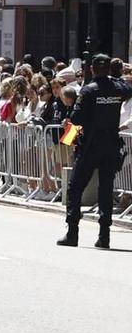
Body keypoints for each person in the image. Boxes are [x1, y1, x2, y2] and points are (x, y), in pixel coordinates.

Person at [58, 53, 127, 249]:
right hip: (111, 145)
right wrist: (116, 76)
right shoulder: (118, 88)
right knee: (105, 190)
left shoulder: (88, 91)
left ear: (91, 69)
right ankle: (104, 237)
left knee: (75, 187)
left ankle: (72, 233)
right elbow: (127, 87)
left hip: (90, 146)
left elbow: (77, 119)